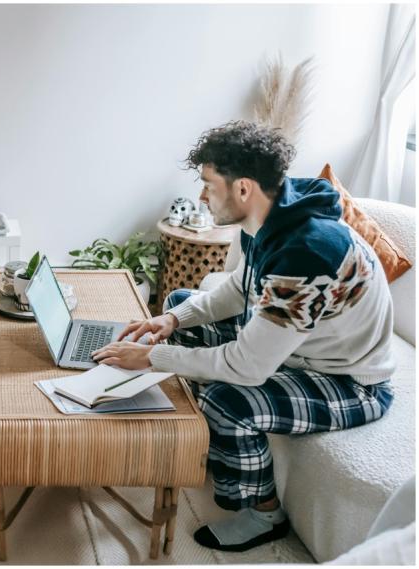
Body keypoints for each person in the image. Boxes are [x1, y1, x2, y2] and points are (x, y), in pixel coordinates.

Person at [92, 121, 395, 552]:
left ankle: (265, 514)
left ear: (243, 189)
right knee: (182, 302)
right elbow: (238, 289)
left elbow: (246, 368)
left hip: (351, 382)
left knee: (227, 400)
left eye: (208, 185)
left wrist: (154, 358)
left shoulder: (306, 252)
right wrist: (172, 321)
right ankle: (207, 441)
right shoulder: (275, 217)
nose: (201, 196)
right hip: (300, 347)